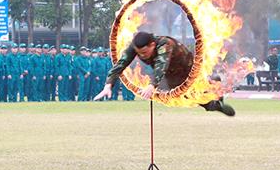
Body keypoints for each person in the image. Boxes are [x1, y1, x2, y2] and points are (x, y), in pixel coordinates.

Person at [92, 31, 234, 116]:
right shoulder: (135, 47)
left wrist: (152, 85)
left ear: (152, 45)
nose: (141, 56)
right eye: (138, 53)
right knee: (199, 101)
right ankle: (215, 106)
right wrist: (108, 85)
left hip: (189, 70)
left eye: (144, 52)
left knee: (203, 89)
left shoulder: (165, 44)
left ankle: (215, 86)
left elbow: (161, 64)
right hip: (172, 77)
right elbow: (120, 64)